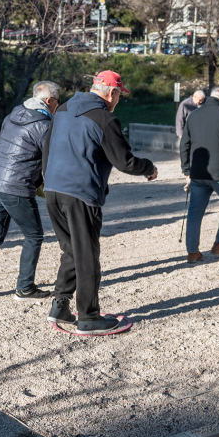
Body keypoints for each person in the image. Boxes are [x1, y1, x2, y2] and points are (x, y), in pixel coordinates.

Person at [42, 71, 158, 335]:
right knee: (87, 256)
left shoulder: (63, 109)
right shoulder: (105, 119)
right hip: (81, 194)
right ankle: (89, 317)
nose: (118, 101)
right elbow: (125, 161)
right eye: (119, 96)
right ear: (112, 92)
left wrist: (48, 180)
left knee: (71, 250)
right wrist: (149, 168)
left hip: (53, 190)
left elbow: (46, 148)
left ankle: (60, 305)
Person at [0, 82, 61, 301]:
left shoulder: (13, 114)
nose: (58, 105)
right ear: (49, 101)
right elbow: (53, 159)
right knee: (34, 235)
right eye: (58, 101)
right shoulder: (44, 125)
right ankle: (25, 288)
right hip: (16, 187)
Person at [180, 87, 219, 263]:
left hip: (197, 173)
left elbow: (184, 144)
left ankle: (192, 252)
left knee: (194, 212)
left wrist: (186, 170)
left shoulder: (193, 115)